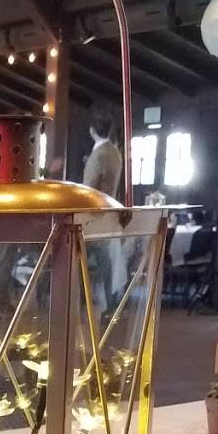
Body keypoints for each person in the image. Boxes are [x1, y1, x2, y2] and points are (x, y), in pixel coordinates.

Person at [82, 110, 124, 309]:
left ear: (92, 130)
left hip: (93, 216)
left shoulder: (98, 155)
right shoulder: (115, 152)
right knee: (106, 262)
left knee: (76, 257)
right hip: (109, 214)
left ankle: (79, 300)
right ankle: (110, 301)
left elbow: (88, 189)